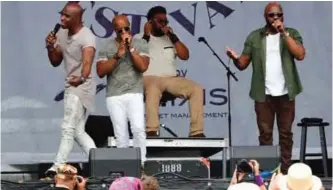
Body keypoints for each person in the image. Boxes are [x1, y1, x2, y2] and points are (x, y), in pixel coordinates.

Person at [226, 2, 306, 174]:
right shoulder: (255, 37)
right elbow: (242, 64)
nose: (276, 18)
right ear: (265, 17)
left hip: (286, 93)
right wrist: (234, 58)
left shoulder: (291, 33)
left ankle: (284, 173)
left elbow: (300, 54)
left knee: (286, 135)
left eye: (279, 15)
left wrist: (284, 33)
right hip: (264, 94)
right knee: (265, 135)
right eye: (272, 15)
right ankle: (268, 173)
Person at [44, 2, 97, 177]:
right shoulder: (62, 32)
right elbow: (55, 61)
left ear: (77, 18)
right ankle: (100, 161)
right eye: (62, 14)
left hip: (82, 86)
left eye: (67, 16)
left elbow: (87, 65)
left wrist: (81, 78)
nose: (62, 18)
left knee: (68, 127)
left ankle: (57, 167)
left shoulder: (86, 37)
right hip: (71, 84)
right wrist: (50, 47)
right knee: (78, 131)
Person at [137, 6, 205, 137]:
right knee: (153, 86)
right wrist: (146, 35)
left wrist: (173, 37)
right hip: (148, 78)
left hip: (170, 79)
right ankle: (152, 130)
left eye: (165, 21)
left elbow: (185, 56)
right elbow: (137, 56)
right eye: (160, 21)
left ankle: (196, 132)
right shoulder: (139, 37)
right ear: (150, 22)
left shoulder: (171, 38)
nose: (163, 24)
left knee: (196, 89)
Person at [96, 15, 149, 166]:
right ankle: (125, 166)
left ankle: (141, 164)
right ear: (114, 30)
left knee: (138, 128)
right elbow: (100, 71)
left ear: (130, 27)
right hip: (114, 95)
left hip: (134, 92)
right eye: (120, 30)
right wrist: (117, 56)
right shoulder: (107, 46)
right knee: (120, 134)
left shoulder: (140, 43)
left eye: (126, 28)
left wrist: (130, 49)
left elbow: (143, 66)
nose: (123, 32)